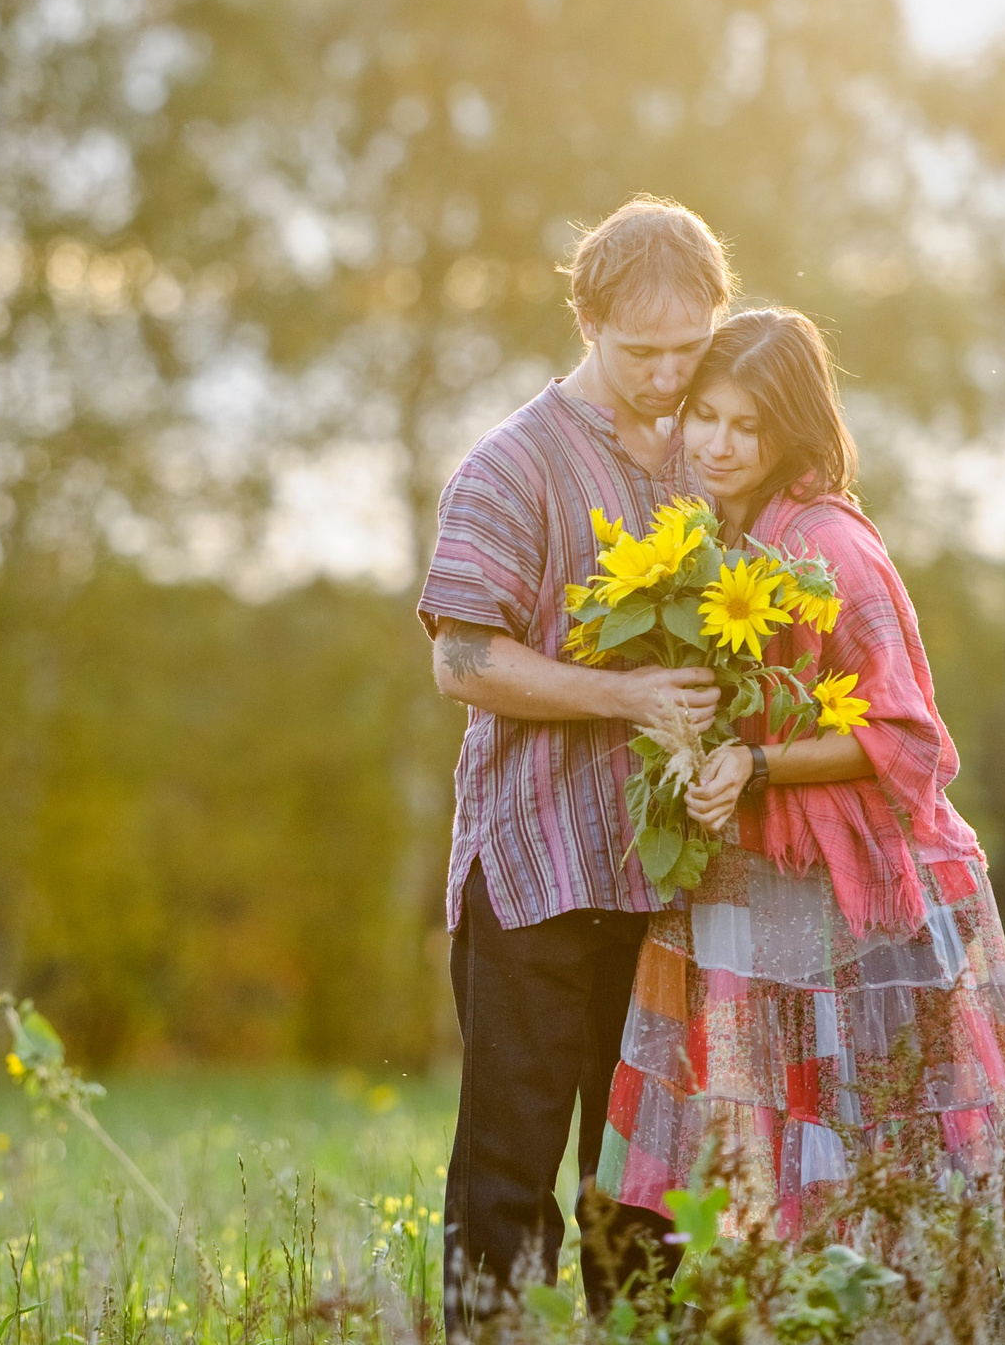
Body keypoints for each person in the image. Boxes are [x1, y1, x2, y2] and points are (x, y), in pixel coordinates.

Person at [592, 307, 1005, 1244]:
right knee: (759, 1156)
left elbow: (911, 738)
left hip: (858, 901)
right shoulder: (703, 544)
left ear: (792, 433)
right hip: (750, 882)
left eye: (749, 426)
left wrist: (756, 762)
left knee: (891, 1154)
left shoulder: (830, 547)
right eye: (706, 417)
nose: (721, 445)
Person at [419, 195, 734, 1335]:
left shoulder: (717, 455)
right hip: (533, 869)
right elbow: (461, 661)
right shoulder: (510, 466)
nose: (664, 375)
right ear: (585, 321)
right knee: (507, 1168)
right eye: (638, 351)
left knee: (644, 1178)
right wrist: (625, 697)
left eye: (686, 350)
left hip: (670, 881)